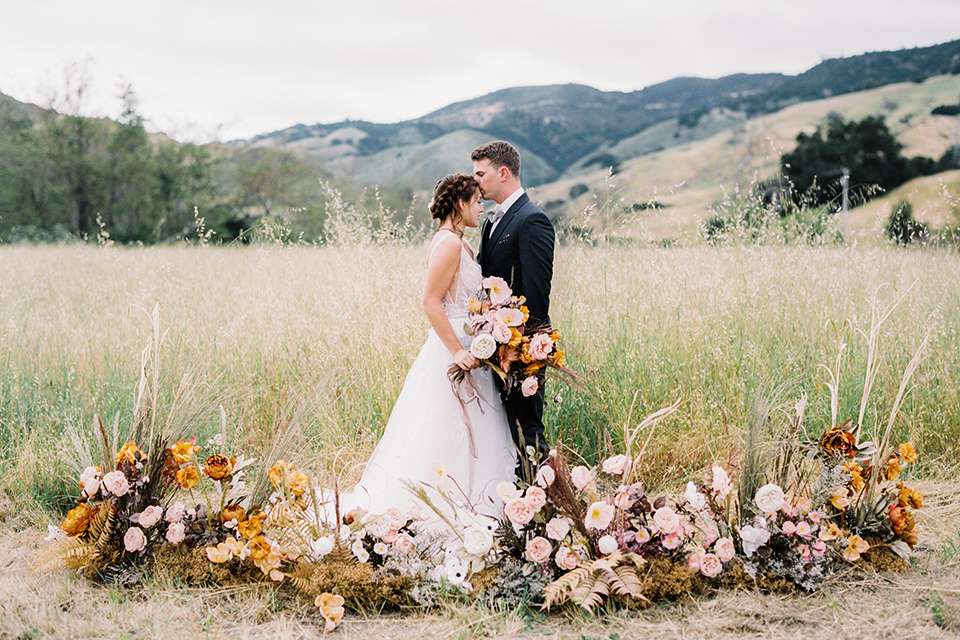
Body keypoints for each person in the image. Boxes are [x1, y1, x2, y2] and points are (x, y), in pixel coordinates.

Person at [345, 173, 516, 521]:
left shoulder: (460, 242)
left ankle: (473, 503)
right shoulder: (449, 244)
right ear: (459, 204)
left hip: (471, 341)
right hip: (453, 346)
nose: (480, 208)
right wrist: (457, 351)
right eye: (476, 202)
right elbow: (430, 302)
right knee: (446, 431)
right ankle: (439, 510)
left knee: (473, 433)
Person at [472, 141, 555, 482]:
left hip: (522, 351)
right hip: (495, 347)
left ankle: (546, 509)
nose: (475, 181)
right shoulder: (491, 224)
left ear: (502, 173)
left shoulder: (532, 220)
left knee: (528, 434)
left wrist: (523, 351)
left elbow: (537, 293)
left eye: (481, 173)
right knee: (505, 436)